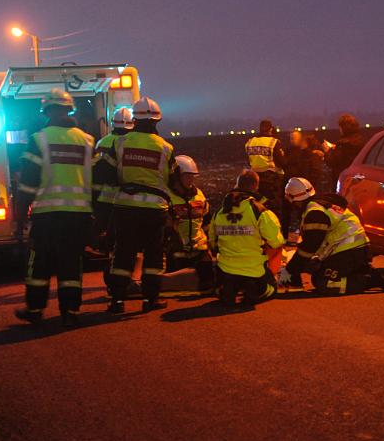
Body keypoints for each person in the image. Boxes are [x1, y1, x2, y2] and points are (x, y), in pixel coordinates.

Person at [13, 88, 95, 327]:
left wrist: (20, 215)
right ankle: (71, 312)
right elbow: (95, 182)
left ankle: (36, 310)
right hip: (79, 216)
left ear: (47, 111)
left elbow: (28, 182)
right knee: (71, 264)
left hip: (47, 217)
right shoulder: (88, 141)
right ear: (69, 109)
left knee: (40, 264)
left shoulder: (39, 139)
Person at [104, 96, 174, 314]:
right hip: (155, 210)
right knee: (153, 255)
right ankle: (150, 299)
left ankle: (117, 301)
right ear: (157, 121)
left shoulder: (120, 142)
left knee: (124, 253)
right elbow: (171, 177)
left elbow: (107, 173)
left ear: (135, 119)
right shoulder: (166, 147)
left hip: (126, 207)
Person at [279, 177, 384, 295]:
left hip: (349, 251)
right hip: (353, 249)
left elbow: (310, 246)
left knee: (323, 283)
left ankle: (367, 280)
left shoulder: (314, 212)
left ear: (294, 199)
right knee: (314, 269)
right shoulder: (319, 205)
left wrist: (290, 269)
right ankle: (360, 272)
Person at [209, 170, 285, 308]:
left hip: (226, 270)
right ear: (256, 186)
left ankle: (226, 291)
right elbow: (277, 242)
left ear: (237, 184)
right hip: (254, 271)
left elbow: (213, 242)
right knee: (270, 290)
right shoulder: (260, 211)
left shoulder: (219, 212)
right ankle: (254, 293)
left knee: (227, 290)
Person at [166, 154, 214, 290]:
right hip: (176, 251)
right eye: (187, 176)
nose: (191, 179)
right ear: (176, 176)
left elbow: (207, 222)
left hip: (199, 250)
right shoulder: (167, 197)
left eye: (192, 176)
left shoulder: (199, 195)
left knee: (208, 284)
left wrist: (211, 244)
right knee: (172, 284)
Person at [92, 107, 134, 253]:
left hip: (105, 197)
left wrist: (94, 197)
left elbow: (97, 170)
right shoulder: (133, 142)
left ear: (112, 123)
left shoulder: (103, 142)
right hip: (129, 198)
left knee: (104, 232)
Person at [245, 119, 286, 229]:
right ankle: (275, 232)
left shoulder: (250, 142)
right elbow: (281, 163)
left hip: (254, 181)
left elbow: (249, 161)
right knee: (274, 208)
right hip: (272, 179)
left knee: (258, 206)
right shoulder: (273, 142)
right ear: (271, 129)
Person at [322, 114, 365, 187]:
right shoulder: (361, 140)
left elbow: (332, 161)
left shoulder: (343, 144)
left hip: (344, 179)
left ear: (344, 128)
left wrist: (327, 151)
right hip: (358, 177)